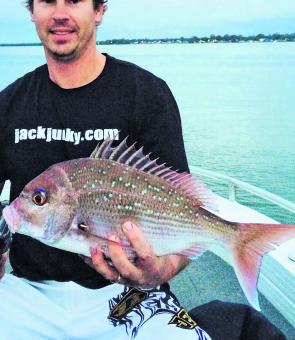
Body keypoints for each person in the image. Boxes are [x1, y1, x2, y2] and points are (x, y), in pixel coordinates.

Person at [0, 1, 287, 339]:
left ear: (99, 10)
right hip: (26, 291)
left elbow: (181, 204)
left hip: (133, 297)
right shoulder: (9, 103)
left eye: (75, 0)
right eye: (48, 0)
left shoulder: (146, 94)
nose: (60, 13)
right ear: (31, 11)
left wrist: (159, 270)